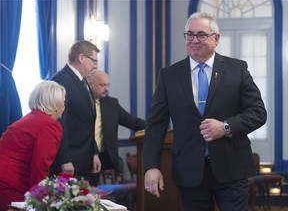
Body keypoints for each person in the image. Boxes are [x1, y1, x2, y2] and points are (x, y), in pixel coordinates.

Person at [143, 12, 267, 211]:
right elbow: (156, 125)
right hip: (189, 171)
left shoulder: (237, 69)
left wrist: (226, 127)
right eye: (189, 35)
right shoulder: (169, 75)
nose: (194, 40)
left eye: (201, 34)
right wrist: (151, 166)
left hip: (232, 168)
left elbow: (258, 113)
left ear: (216, 38)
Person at [0, 81, 66, 210]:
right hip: (11, 185)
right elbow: (40, 165)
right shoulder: (49, 125)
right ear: (56, 104)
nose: (64, 105)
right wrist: (39, 199)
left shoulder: (29, 119)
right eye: (63, 101)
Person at [50, 40, 101, 183]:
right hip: (69, 162)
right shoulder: (61, 81)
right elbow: (59, 124)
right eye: (94, 61)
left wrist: (94, 152)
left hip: (85, 159)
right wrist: (64, 159)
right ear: (81, 58)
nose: (96, 66)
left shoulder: (82, 80)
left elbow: (87, 122)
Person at [86, 69, 146, 185]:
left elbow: (133, 122)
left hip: (101, 158)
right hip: (82, 157)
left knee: (91, 195)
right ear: (90, 83)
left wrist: (155, 126)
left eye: (108, 85)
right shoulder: (82, 102)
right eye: (102, 85)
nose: (107, 89)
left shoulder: (111, 104)